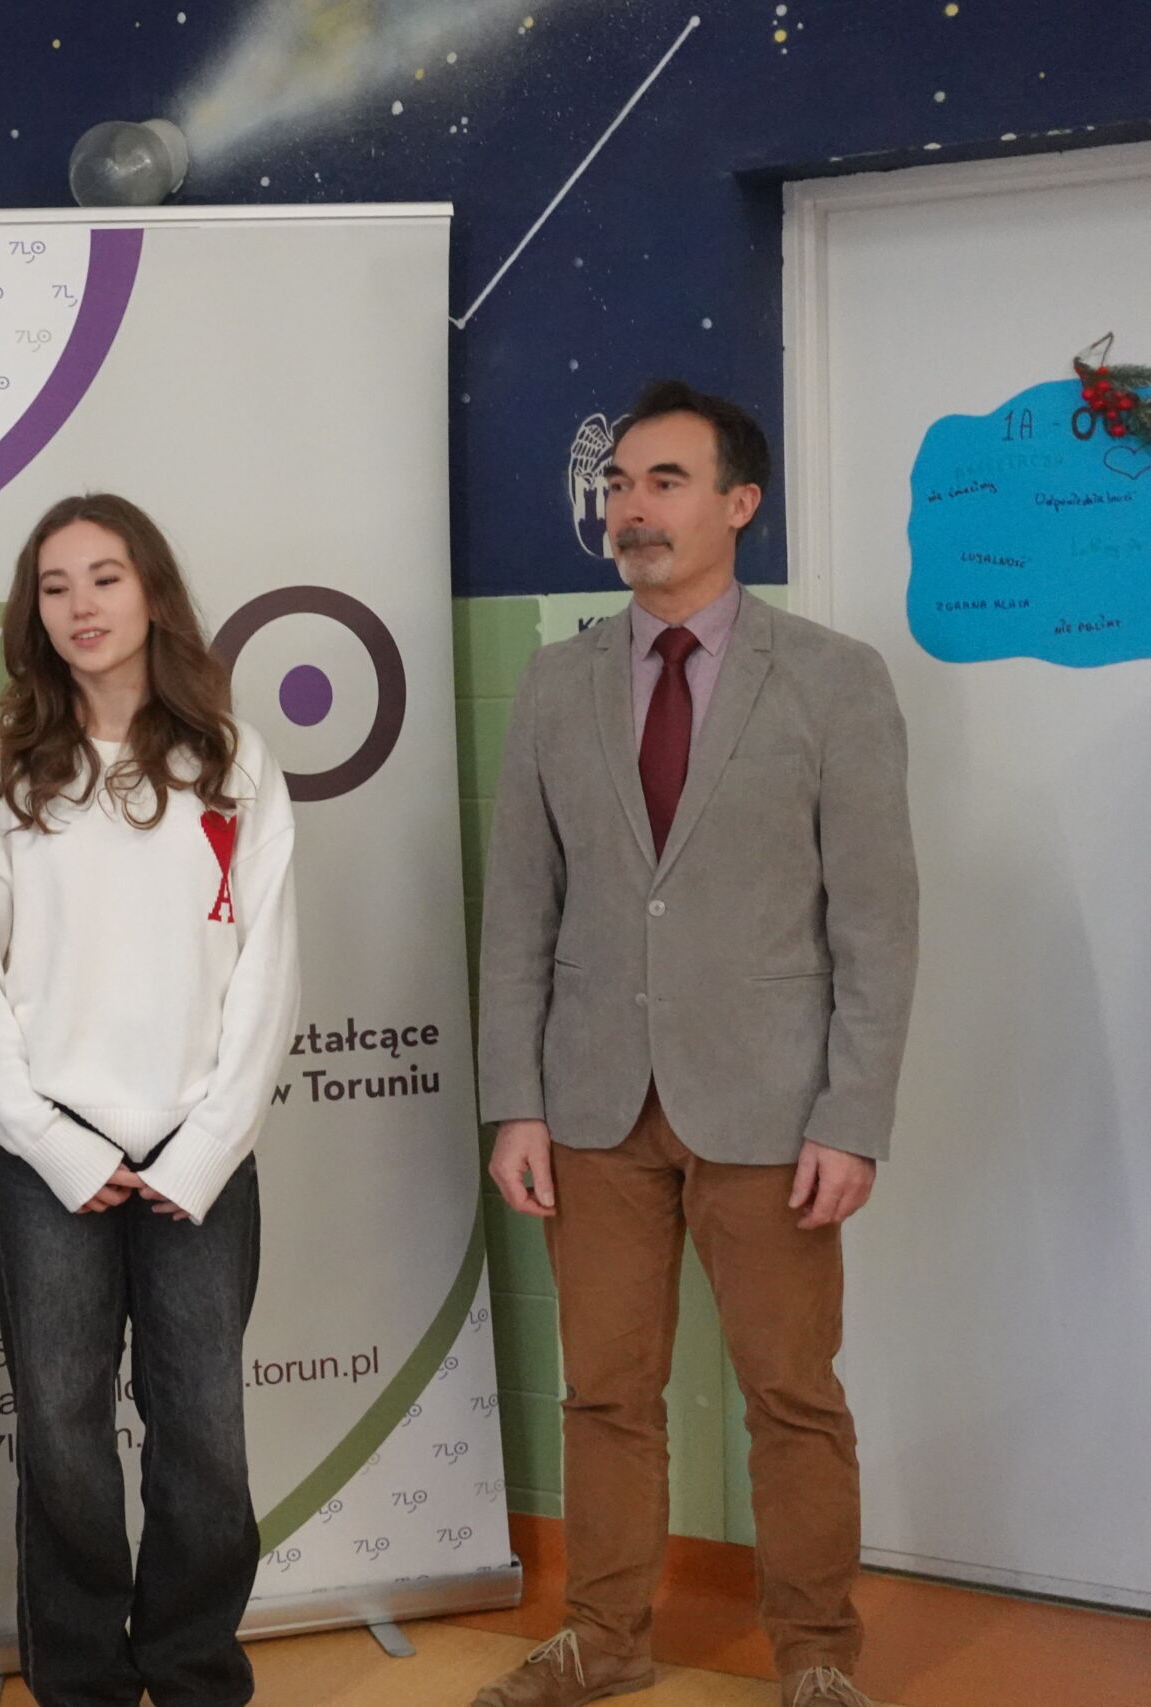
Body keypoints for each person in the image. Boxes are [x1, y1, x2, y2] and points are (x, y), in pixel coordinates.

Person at [473, 381, 917, 1707]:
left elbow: (877, 924)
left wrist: (852, 1116)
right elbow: (519, 910)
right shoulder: (555, 683)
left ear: (740, 502)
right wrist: (515, 1101)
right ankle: (601, 1637)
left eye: (665, 481)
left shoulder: (834, 679)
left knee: (791, 1393)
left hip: (773, 1110)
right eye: (618, 484)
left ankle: (817, 1653)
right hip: (592, 1105)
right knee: (605, 1392)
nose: (631, 507)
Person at [0, 493, 301, 1707]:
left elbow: (265, 974)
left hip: (198, 1153)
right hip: (50, 1159)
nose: (81, 606)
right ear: (32, 613)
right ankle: (83, 1682)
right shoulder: (1, 769)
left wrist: (203, 1148)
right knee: (63, 1439)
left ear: (151, 591)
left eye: (104, 578)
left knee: (203, 1438)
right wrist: (52, 1145)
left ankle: (193, 1671)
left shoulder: (235, 761)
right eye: (55, 586)